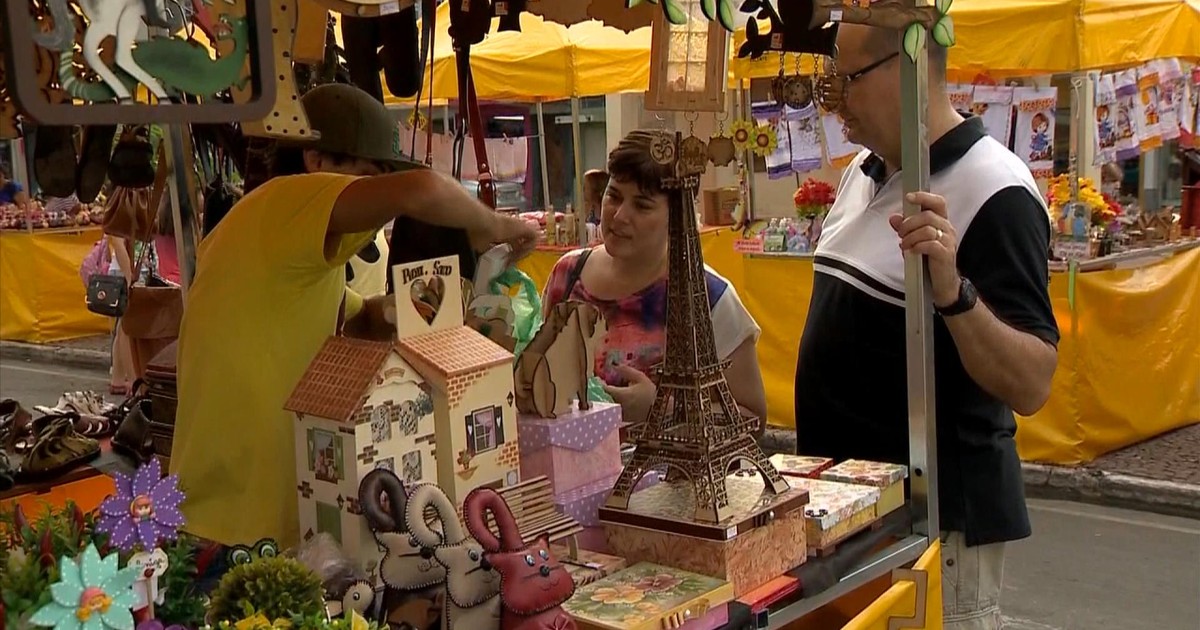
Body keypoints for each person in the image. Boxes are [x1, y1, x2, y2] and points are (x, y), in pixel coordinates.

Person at [169, 84, 538, 551]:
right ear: (316, 162)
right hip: (236, 528)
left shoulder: (273, 243)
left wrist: (405, 311)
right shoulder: (285, 200)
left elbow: (354, 316)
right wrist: (497, 226)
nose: (376, 211)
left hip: (235, 520)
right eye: (368, 180)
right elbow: (420, 188)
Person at [793, 25, 1059, 629]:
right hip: (854, 525)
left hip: (937, 529)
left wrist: (955, 293)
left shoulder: (996, 188)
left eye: (846, 79)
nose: (833, 99)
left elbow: (1033, 381)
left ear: (907, 67)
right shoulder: (861, 173)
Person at [541, 130, 766, 430]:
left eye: (642, 205)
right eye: (614, 196)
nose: (619, 216)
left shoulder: (710, 296)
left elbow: (754, 418)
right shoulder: (566, 274)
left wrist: (665, 409)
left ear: (678, 215)